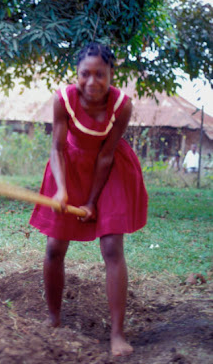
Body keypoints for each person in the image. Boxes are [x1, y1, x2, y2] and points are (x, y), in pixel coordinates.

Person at [29, 42, 148, 357]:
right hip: (68, 166)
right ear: (76, 74)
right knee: (55, 247)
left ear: (111, 75)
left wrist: (92, 201)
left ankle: (117, 334)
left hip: (109, 171)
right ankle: (53, 318)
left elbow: (107, 155)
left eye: (101, 74)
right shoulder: (63, 100)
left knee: (111, 247)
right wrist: (61, 189)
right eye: (85, 74)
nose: (92, 82)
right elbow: (56, 147)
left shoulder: (122, 104)